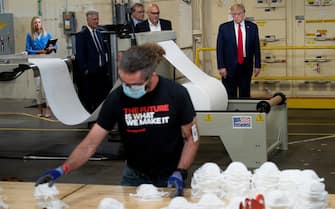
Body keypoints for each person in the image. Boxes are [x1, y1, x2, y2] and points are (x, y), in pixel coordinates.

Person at [35, 43, 200, 196]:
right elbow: (90, 143)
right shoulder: (117, 98)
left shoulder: (176, 94)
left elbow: (191, 138)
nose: (127, 89)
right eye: (124, 83)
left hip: (170, 175)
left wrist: (181, 171)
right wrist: (63, 169)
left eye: (133, 85)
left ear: (150, 76)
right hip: (134, 175)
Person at [216, 3, 261, 99]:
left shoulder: (252, 27)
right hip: (229, 67)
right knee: (229, 94)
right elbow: (219, 49)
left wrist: (257, 65)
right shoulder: (224, 28)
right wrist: (221, 66)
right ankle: (230, 114)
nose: (236, 16)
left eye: (239, 14)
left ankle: (243, 113)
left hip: (246, 66)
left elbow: (256, 47)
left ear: (244, 13)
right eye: (234, 14)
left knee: (245, 94)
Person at [75, 10, 111, 113]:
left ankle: (100, 116)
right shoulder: (82, 35)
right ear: (88, 20)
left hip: (101, 70)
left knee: (102, 95)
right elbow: (80, 55)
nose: (96, 21)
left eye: (97, 19)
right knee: (90, 97)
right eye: (94, 19)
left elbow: (103, 51)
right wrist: (85, 69)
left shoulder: (99, 33)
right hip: (90, 72)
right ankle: (90, 118)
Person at [25, 16, 58, 117]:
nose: (37, 24)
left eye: (39, 22)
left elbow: (55, 46)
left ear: (41, 24)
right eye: (35, 22)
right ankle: (39, 108)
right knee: (38, 87)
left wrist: (52, 47)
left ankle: (48, 108)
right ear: (33, 24)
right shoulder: (30, 35)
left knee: (47, 86)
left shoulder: (47, 34)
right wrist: (39, 51)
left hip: (47, 62)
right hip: (35, 62)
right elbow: (27, 49)